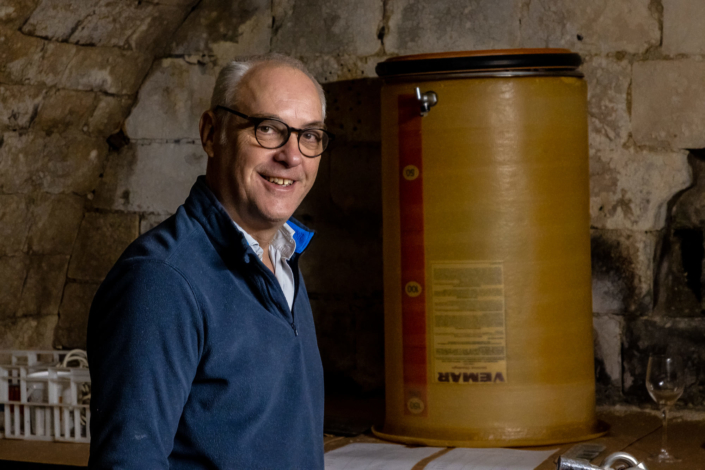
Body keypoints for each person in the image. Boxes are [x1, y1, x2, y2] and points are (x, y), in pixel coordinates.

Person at [87, 54, 332, 469]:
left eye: (309, 136)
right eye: (268, 129)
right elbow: (129, 461)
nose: (292, 157)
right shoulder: (162, 280)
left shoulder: (283, 257)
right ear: (210, 133)